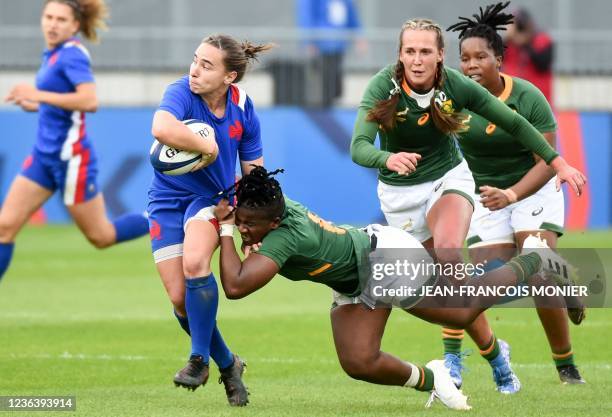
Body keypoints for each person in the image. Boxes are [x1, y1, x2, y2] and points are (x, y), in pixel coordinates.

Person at [349, 16, 586, 392]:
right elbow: (358, 146)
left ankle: (467, 357)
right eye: (410, 51)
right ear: (399, 54)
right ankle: (496, 355)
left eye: (426, 51)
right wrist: (386, 158)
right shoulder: (383, 86)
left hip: (449, 180)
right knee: (446, 292)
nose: (417, 59)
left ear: (440, 56)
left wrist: (558, 162)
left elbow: (514, 122)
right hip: (399, 195)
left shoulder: (457, 85)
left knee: (448, 254)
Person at [212, 166, 574, 411]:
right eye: (240, 221)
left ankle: (534, 259)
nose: (244, 228)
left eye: (249, 224)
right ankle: (435, 378)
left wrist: (225, 229)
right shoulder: (273, 205)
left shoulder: (284, 236)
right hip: (356, 273)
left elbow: (236, 286)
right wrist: (242, 226)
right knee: (359, 362)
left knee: (460, 310)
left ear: (274, 222)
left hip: (384, 257)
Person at [446, 1, 585, 386]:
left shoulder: (527, 97)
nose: (471, 65)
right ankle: (476, 355)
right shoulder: (451, 100)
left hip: (532, 187)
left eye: (481, 57)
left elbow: (548, 159)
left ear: (500, 60)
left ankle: (566, 366)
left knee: (539, 272)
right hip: (487, 197)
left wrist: (512, 193)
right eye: (465, 58)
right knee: (481, 284)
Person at [148, 33, 273, 406]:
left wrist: (252, 224)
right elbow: (160, 128)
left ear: (229, 77)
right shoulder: (181, 91)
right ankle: (228, 362)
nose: (194, 70)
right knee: (180, 301)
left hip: (212, 200)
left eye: (206, 65)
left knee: (196, 263)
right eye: (195, 59)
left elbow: (254, 173)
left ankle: (198, 359)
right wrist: (206, 145)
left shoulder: (244, 106)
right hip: (166, 199)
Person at [1, 0, 149, 282]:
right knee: (4, 228)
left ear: (75, 26)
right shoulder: (53, 54)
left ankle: (160, 217)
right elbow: (61, 103)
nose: (52, 23)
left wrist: (38, 95)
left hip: (71, 159)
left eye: (60, 19)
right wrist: (37, 104)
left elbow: (89, 100)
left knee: (101, 236)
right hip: (44, 156)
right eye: (48, 16)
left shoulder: (72, 55)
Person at [296, 0, 364, 106]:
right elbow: (306, 16)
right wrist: (309, 41)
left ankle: (329, 109)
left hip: (338, 47)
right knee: (322, 87)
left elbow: (351, 15)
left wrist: (359, 36)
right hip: (321, 47)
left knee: (335, 87)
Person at [503, 7, 554, 102]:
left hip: (538, 97)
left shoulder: (542, 40)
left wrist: (526, 43)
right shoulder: (508, 43)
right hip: (513, 96)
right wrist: (507, 38)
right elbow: (496, 61)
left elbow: (543, 65)